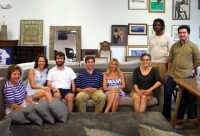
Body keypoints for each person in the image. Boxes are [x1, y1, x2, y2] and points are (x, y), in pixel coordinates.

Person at [162, 25, 200, 121]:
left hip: (186, 76)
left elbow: (198, 60)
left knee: (184, 97)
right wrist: (168, 72)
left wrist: (190, 68)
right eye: (180, 32)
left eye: (184, 32)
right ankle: (166, 116)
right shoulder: (174, 46)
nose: (182, 34)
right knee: (167, 94)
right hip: (173, 74)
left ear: (188, 34)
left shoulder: (193, 46)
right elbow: (170, 60)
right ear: (178, 34)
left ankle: (179, 117)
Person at [148, 18, 172, 84]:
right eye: (155, 25)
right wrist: (149, 62)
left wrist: (168, 68)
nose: (156, 27)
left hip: (163, 64)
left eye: (158, 25)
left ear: (162, 26)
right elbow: (149, 51)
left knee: (163, 83)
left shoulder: (167, 37)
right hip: (152, 63)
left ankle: (164, 95)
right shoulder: (150, 37)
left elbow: (171, 53)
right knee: (152, 83)